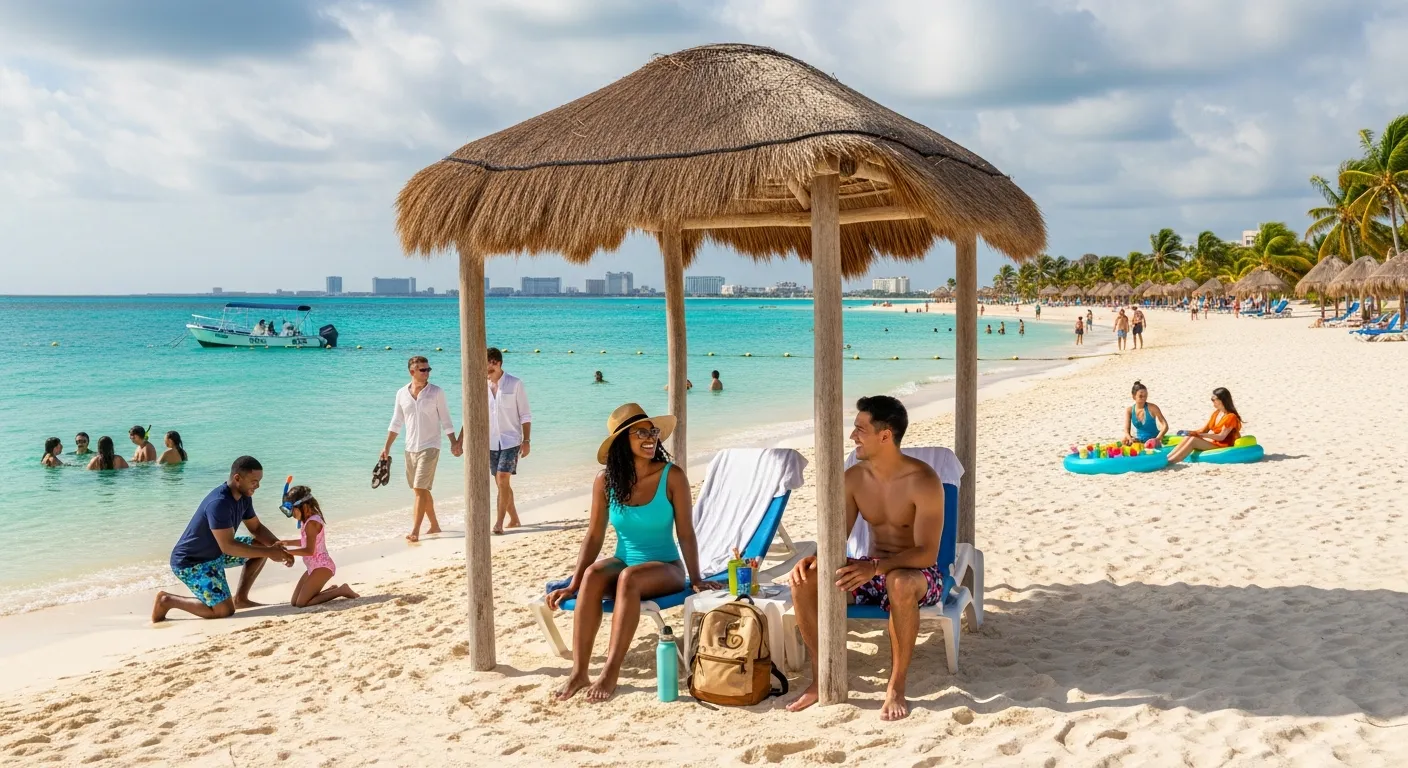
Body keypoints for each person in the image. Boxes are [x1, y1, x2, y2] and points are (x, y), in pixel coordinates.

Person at [786, 396, 944, 721]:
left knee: (899, 582)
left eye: (860, 429)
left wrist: (875, 567)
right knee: (805, 581)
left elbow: (927, 552)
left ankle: (896, 687)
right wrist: (814, 559)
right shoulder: (855, 478)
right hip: (870, 574)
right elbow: (836, 538)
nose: (852, 436)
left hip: (917, 575)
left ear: (885, 436)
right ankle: (821, 678)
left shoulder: (923, 480)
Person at [548, 404, 718, 702]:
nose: (650, 438)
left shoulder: (672, 476)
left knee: (629, 578)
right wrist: (573, 585)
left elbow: (686, 533)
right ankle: (579, 671)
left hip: (666, 567)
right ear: (622, 441)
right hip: (625, 562)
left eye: (652, 432)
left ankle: (610, 672)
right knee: (593, 573)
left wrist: (697, 578)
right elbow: (594, 535)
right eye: (641, 433)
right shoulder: (605, 482)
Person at [152, 456, 295, 621]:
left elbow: (256, 528)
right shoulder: (219, 503)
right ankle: (166, 600)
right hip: (192, 562)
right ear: (237, 478)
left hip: (217, 553)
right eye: (254, 481)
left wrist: (278, 548)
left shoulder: (244, 497)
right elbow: (228, 545)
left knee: (260, 544)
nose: (258, 486)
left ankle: (241, 599)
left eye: (259, 481)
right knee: (223, 610)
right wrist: (270, 552)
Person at [383, 356, 459, 543]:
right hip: (410, 448)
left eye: (428, 369)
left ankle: (415, 530)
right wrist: (386, 447)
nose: (427, 373)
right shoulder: (401, 393)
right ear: (412, 372)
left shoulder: (436, 392)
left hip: (431, 446)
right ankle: (434, 525)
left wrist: (454, 442)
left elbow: (446, 419)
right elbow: (396, 421)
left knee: (419, 488)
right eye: (422, 370)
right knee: (421, 490)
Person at [277, 485, 360, 607]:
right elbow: (306, 542)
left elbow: (309, 550)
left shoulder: (312, 523)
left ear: (303, 506)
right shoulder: (307, 521)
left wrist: (288, 553)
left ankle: (341, 591)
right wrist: (287, 543)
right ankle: (332, 589)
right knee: (294, 602)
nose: (291, 515)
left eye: (292, 510)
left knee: (301, 603)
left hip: (322, 566)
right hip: (313, 567)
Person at [483, 347, 530, 535]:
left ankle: (499, 523)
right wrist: (461, 440)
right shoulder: (480, 385)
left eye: (491, 365)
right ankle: (515, 518)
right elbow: (472, 414)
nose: (488, 370)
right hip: (490, 442)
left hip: (511, 440)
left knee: (503, 478)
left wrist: (527, 440)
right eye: (485, 365)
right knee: (501, 483)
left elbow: (525, 414)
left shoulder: (515, 383)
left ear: (498, 363)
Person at [1165, 388, 1243, 464]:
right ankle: (1167, 458)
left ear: (1222, 400)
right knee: (1188, 437)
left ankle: (1171, 461)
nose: (1212, 401)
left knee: (1193, 440)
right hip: (1215, 443)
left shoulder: (1231, 417)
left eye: (1214, 399)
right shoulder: (1216, 413)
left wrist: (1200, 435)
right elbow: (1204, 430)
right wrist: (1190, 432)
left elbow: (1221, 437)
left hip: (1224, 446)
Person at [1123, 381, 1168, 446]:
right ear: (1134, 397)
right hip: (1140, 441)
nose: (1144, 398)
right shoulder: (1129, 410)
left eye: (1145, 396)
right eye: (1141, 396)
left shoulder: (1152, 408)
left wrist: (1157, 439)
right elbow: (1126, 431)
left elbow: (1165, 425)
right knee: (1124, 439)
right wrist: (1130, 439)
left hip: (1154, 439)